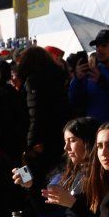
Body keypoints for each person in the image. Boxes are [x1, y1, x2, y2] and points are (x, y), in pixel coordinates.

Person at [18, 46, 70, 185]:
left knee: (32, 180)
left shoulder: (33, 81)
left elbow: (35, 114)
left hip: (39, 140)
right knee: (54, 177)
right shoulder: (59, 78)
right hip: (58, 135)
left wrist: (29, 144)